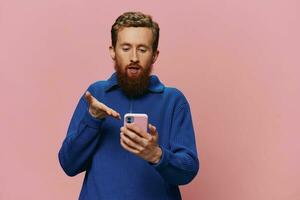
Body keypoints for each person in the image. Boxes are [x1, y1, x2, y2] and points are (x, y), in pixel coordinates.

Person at [58, 11, 199, 200]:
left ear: (155, 55)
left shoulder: (173, 101)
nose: (134, 57)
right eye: (126, 48)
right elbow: (69, 164)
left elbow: (187, 171)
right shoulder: (96, 95)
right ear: (112, 51)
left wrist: (156, 155)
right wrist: (92, 119)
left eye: (142, 49)